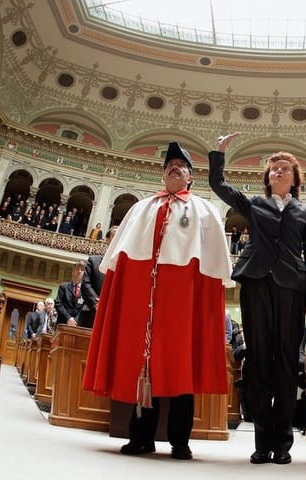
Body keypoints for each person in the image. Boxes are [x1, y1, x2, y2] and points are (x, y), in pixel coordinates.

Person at [83, 141, 233, 461]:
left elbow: (214, 266)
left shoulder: (205, 210)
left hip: (182, 303)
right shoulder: (141, 208)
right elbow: (118, 261)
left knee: (181, 366)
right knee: (143, 366)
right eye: (169, 166)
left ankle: (180, 441)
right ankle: (142, 438)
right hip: (143, 300)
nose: (174, 168)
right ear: (163, 175)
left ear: (191, 177)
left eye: (181, 166)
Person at [209, 132, 306, 465]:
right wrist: (219, 152)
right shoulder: (255, 204)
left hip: (292, 288)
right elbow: (220, 186)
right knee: (258, 361)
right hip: (256, 283)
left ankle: (283, 444)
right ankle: (261, 441)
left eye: (285, 167)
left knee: (287, 364)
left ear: (295, 177)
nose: (278, 171)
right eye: (274, 168)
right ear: (267, 177)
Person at [80, 226, 118, 328]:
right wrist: (97, 303)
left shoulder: (125, 266)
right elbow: (85, 284)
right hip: (91, 314)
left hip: (113, 317)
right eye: (114, 236)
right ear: (107, 240)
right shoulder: (93, 261)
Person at [54, 261, 85, 327]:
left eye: (82, 270)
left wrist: (76, 320)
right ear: (73, 271)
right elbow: (58, 303)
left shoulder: (86, 290)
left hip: (78, 325)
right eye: (77, 269)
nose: (79, 271)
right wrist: (69, 318)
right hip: (63, 323)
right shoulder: (63, 286)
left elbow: (85, 307)